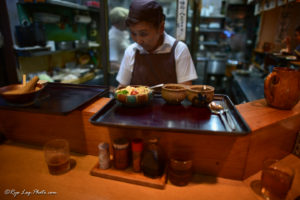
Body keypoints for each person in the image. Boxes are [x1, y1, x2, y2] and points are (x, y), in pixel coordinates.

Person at [116, 0, 198, 86]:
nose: (138, 40)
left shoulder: (179, 49)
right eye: (133, 33)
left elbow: (185, 89)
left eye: (143, 34)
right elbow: (122, 88)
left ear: (161, 28)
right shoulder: (131, 51)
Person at [109, 7, 130, 73]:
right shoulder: (113, 38)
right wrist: (131, 71)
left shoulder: (123, 32)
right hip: (118, 75)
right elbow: (112, 64)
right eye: (125, 21)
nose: (128, 23)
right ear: (116, 23)